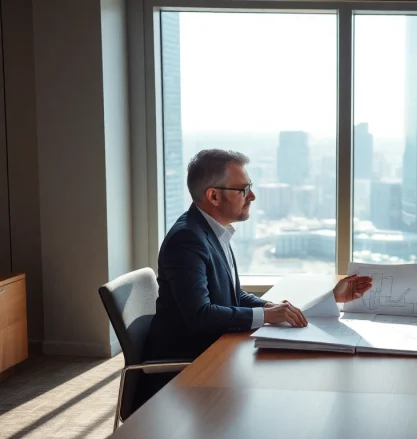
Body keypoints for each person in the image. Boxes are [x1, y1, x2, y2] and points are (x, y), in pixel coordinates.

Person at [138, 149, 372, 408]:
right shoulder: (188, 240)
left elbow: (235, 296)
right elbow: (200, 316)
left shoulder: (213, 230)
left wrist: (277, 308)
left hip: (213, 353)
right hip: (184, 371)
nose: (252, 196)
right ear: (213, 196)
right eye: (243, 189)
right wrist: (268, 316)